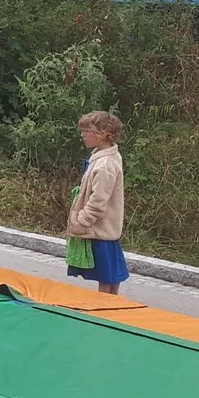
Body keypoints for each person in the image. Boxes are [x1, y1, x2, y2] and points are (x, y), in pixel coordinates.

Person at [65, 111, 128, 294]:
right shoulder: (104, 157)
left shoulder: (105, 165)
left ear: (103, 133)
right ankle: (112, 301)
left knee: (105, 273)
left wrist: (82, 221)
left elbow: (98, 200)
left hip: (99, 228)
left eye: (87, 131)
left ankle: (104, 306)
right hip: (106, 229)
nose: (83, 135)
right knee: (110, 272)